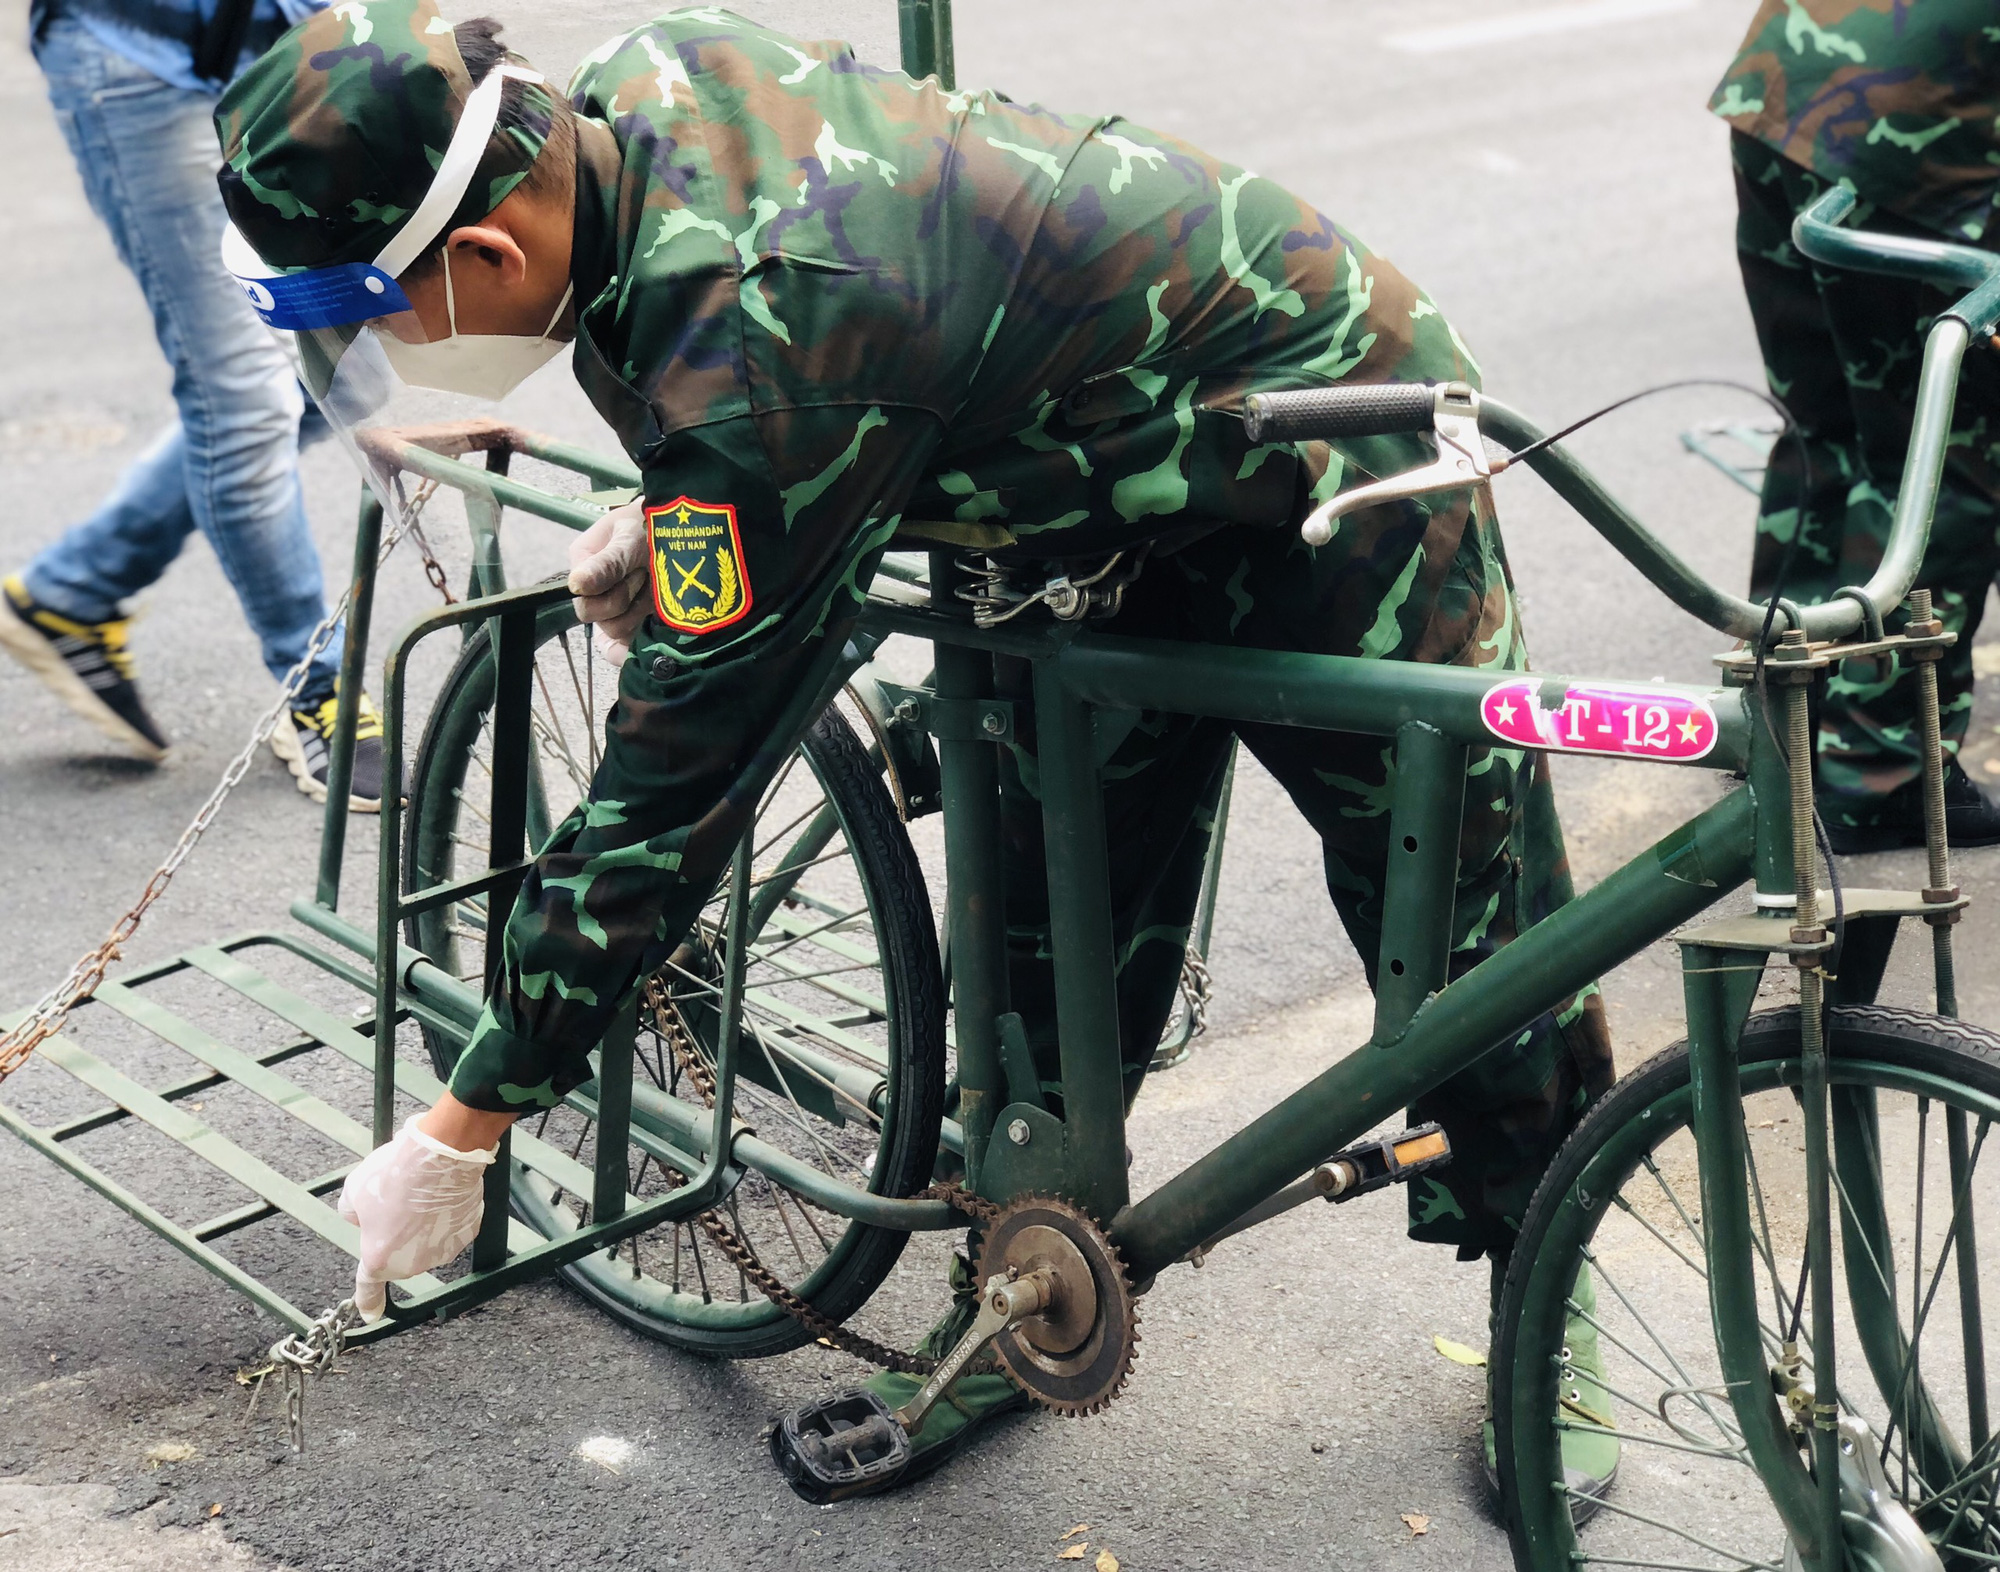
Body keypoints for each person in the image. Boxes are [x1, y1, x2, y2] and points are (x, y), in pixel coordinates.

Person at [223, 1, 1618, 1505]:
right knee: (1041, 922)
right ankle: (1020, 1287)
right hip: (1068, 510)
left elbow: (665, 801)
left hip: (1328, 452)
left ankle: (1547, 1272)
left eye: (376, 317)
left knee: (1463, 917)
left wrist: (466, 1123)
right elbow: (775, 388)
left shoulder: (768, 355)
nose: (385, 352)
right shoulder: (633, 95)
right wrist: (683, 503)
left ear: (489, 254)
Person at [0, 0, 382, 808]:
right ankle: (320, 690)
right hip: (137, 52)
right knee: (244, 402)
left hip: (290, 48)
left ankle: (71, 592)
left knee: (344, 372)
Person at [1711, 0, 2000, 853]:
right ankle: (1880, 777)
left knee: (1824, 433)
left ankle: (1778, 727)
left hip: (1784, 98)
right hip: (1907, 140)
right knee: (1945, 465)